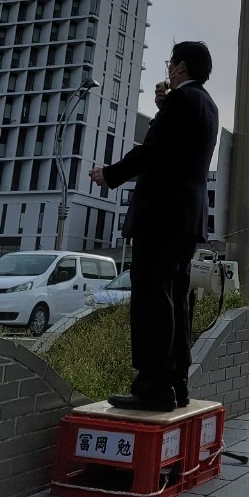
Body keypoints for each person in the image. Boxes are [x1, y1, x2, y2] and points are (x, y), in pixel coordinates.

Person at [89, 41, 218, 411]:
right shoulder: (206, 104)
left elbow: (152, 151)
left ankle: (152, 387)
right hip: (187, 218)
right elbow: (179, 149)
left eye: (171, 63)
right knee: (174, 299)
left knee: (151, 299)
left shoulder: (181, 100)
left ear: (180, 67)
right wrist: (165, 106)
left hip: (161, 215)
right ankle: (177, 384)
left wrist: (110, 174)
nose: (169, 70)